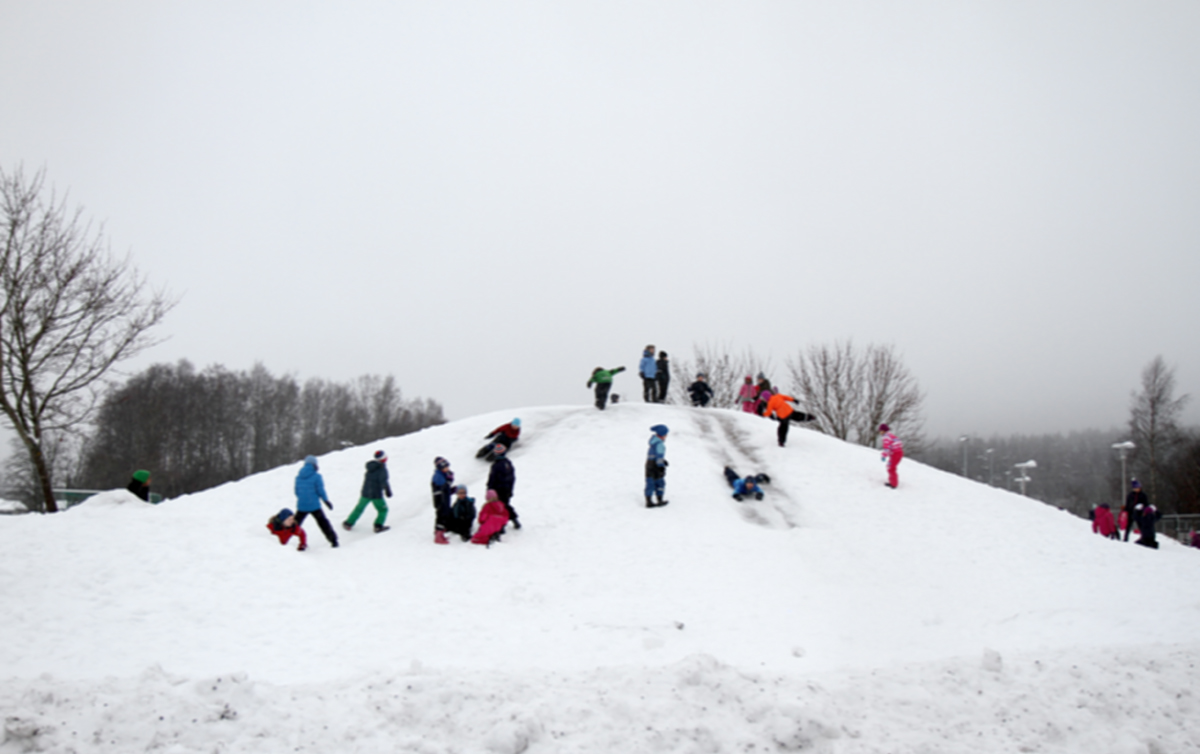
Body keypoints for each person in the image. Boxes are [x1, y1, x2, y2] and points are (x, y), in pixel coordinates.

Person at [294, 455, 338, 548]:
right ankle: (333, 541)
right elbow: (320, 491)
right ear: (315, 465)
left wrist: (303, 499)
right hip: (314, 506)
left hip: (301, 506)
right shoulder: (317, 476)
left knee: (294, 524)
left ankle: (283, 540)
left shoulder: (298, 477)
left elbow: (297, 492)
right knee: (323, 523)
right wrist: (326, 501)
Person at [343, 450, 392, 533]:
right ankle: (378, 526)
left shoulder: (370, 467)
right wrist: (388, 490)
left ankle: (348, 523)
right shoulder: (382, 469)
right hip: (376, 495)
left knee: (359, 508)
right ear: (383, 459)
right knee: (383, 510)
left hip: (365, 492)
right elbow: (383, 481)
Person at [487, 443, 520, 529]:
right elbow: (512, 478)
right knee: (505, 504)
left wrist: (490, 488)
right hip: (507, 489)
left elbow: (493, 478)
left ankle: (505, 522)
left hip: (498, 490)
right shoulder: (508, 463)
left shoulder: (496, 466)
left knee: (500, 506)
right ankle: (513, 519)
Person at [432, 456, 456, 545]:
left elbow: (446, 490)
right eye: (445, 467)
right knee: (441, 517)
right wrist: (450, 480)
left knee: (445, 515)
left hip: (445, 499)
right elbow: (443, 488)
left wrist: (452, 489)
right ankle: (438, 535)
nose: (447, 469)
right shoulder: (438, 476)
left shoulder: (442, 475)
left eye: (447, 467)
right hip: (441, 501)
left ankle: (440, 534)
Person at [645, 424, 669, 508]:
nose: (666, 436)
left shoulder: (653, 442)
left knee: (650, 482)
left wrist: (663, 461)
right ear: (662, 435)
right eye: (666, 434)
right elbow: (659, 456)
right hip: (656, 466)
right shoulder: (660, 444)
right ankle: (660, 499)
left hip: (649, 464)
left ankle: (648, 501)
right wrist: (661, 466)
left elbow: (653, 455)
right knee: (660, 482)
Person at [879, 424, 904, 488]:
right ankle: (892, 482)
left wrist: (884, 455)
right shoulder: (891, 436)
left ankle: (893, 484)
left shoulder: (886, 437)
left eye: (881, 430)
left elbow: (886, 447)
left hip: (895, 454)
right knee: (890, 467)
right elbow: (899, 443)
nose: (880, 432)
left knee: (891, 468)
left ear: (884, 430)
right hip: (899, 453)